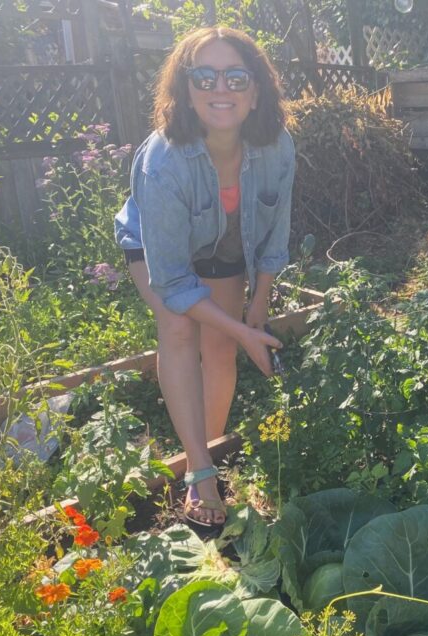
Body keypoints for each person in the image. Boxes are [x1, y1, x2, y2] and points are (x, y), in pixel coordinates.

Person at [114, 27, 294, 526]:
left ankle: (207, 448)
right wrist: (242, 328)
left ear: (255, 92)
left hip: (226, 244)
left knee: (220, 347)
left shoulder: (278, 148)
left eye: (236, 77)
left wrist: (256, 309)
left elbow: (274, 237)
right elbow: (173, 282)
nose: (221, 89)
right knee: (178, 326)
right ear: (186, 92)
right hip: (158, 248)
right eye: (205, 77)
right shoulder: (164, 160)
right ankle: (200, 471)